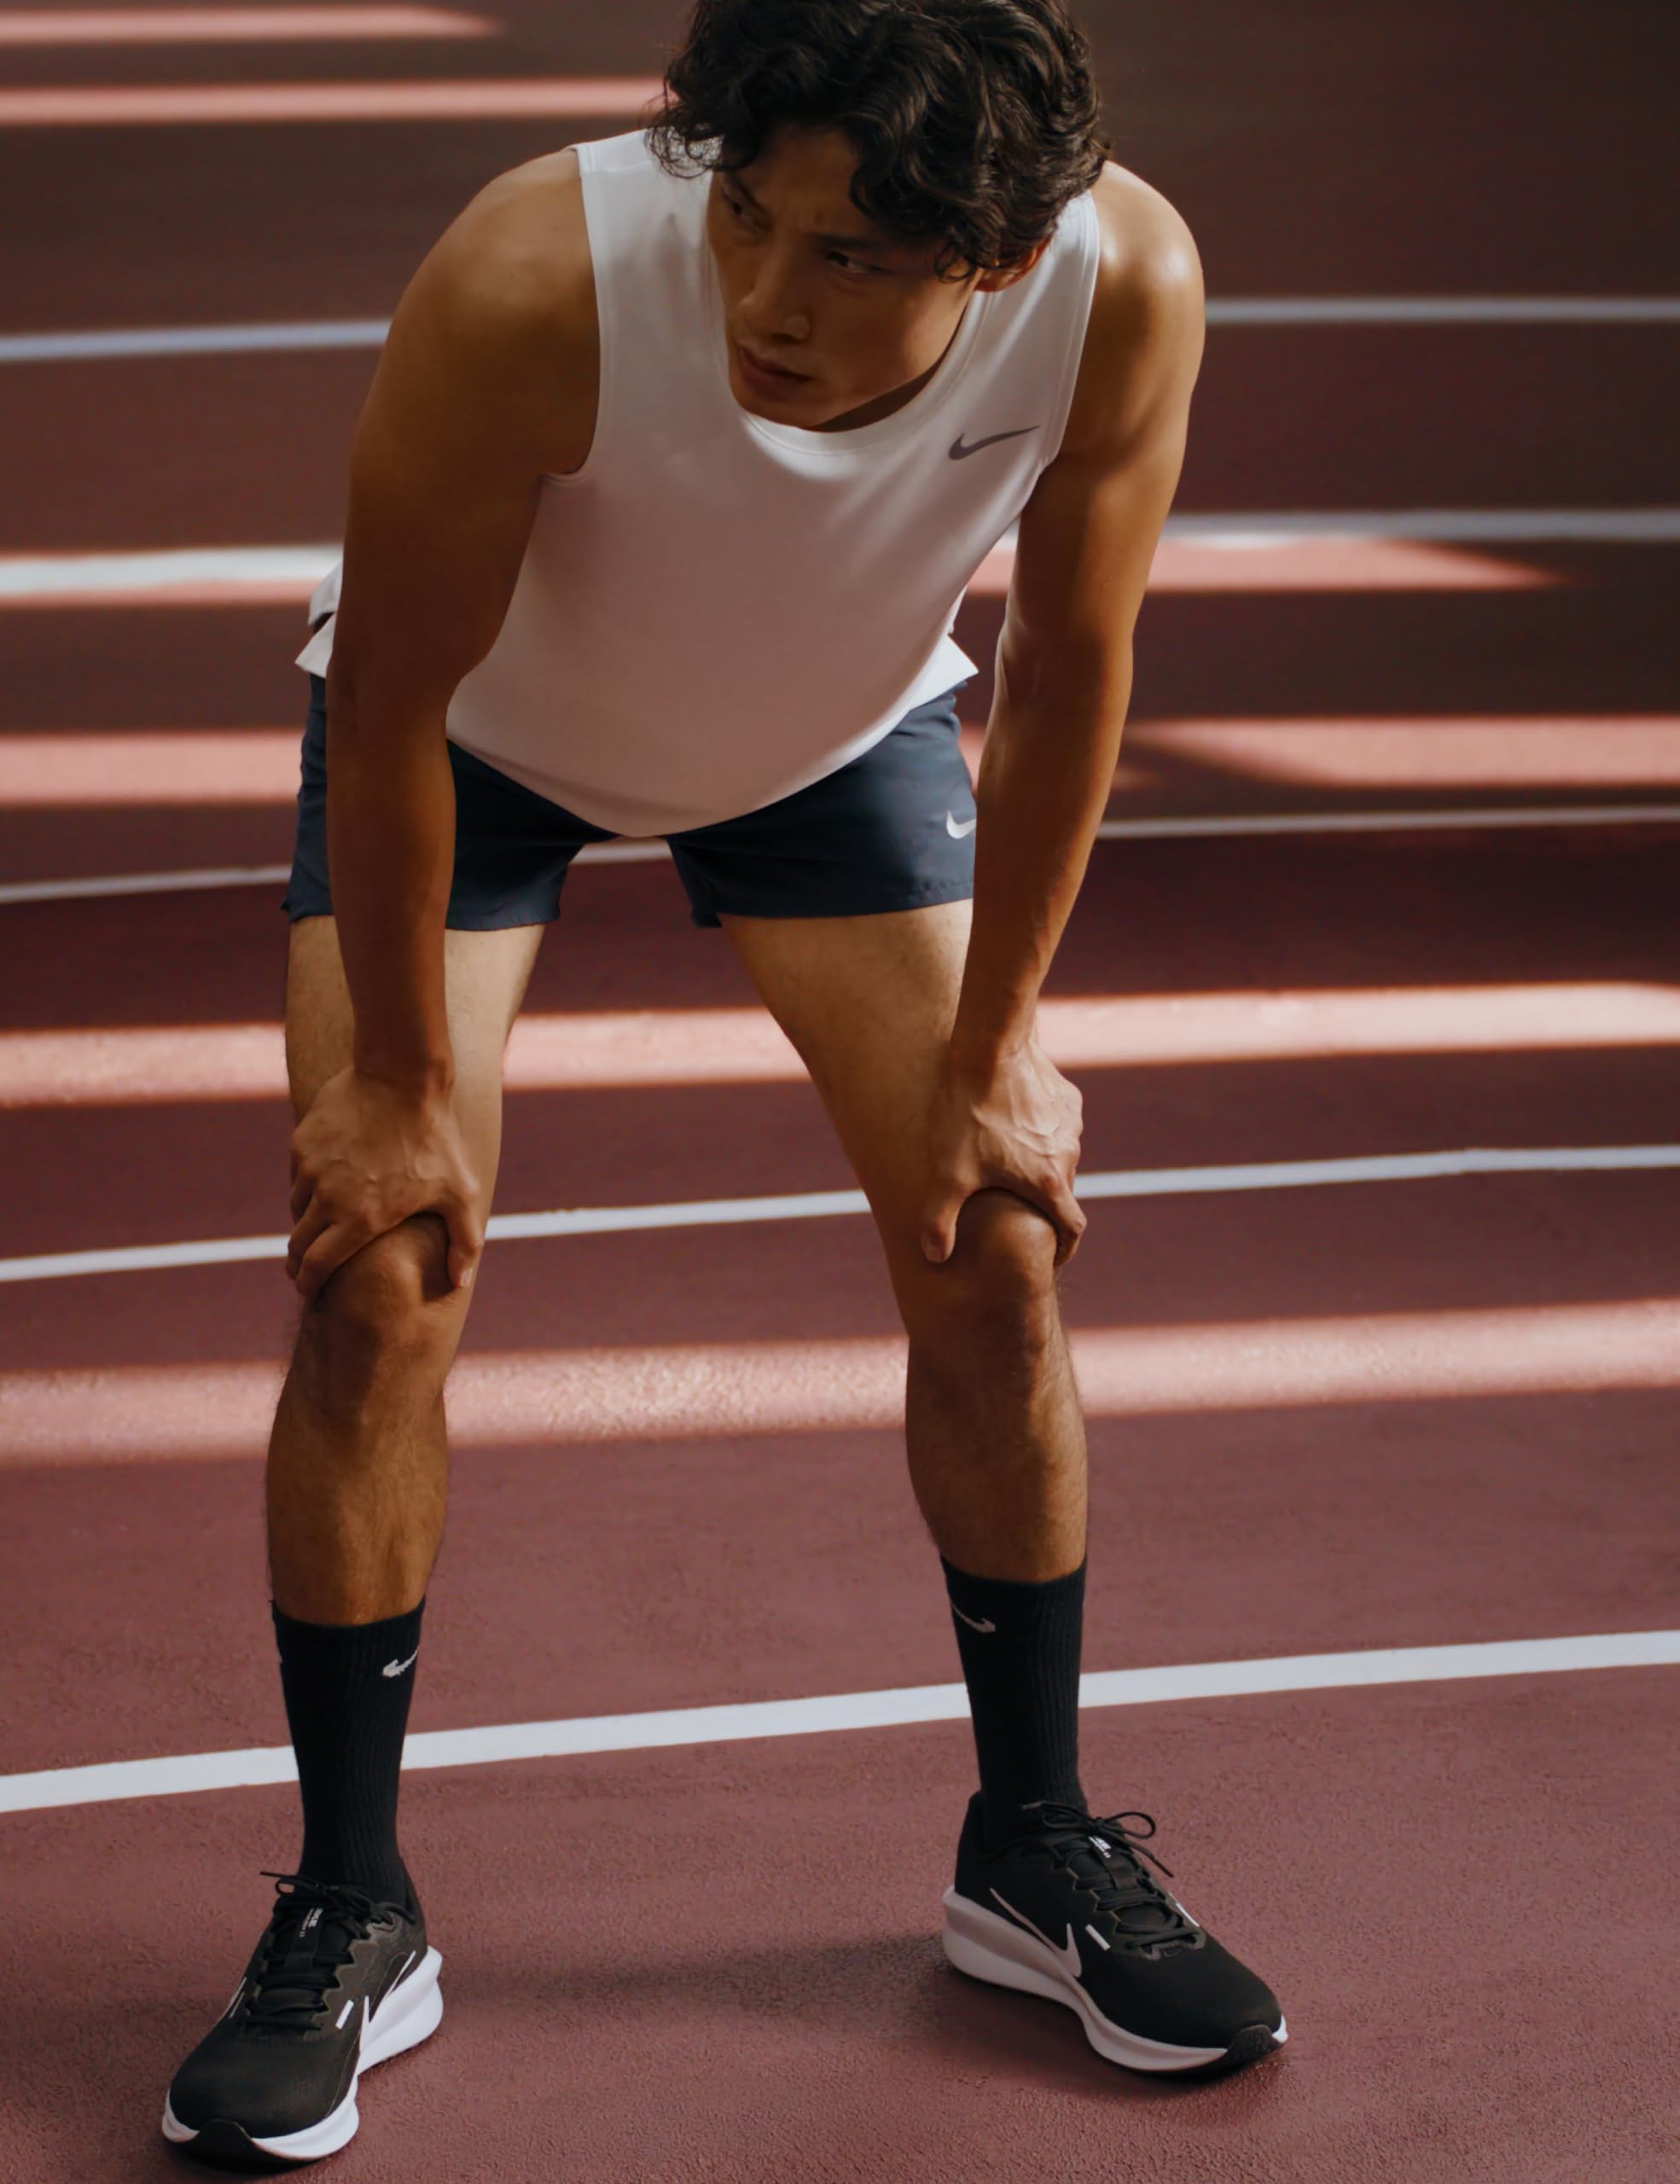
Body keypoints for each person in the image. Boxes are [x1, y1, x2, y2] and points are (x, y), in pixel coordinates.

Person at [162, 0, 1283, 2160]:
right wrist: (395, 1080)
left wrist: (996, 1050)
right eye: (748, 220)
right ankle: (349, 1903)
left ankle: (1030, 1845)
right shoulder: (537, 271)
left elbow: (1069, 665)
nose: (770, 299)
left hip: (827, 735)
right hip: (477, 737)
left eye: (850, 258)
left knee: (998, 1237)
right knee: (379, 1270)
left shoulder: (1121, 283)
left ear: (996, 254)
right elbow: (387, 699)